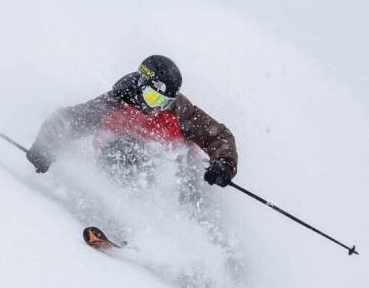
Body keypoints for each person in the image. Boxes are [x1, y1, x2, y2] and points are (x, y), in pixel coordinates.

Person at [26, 55, 237, 188]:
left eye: (165, 102)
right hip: (127, 166)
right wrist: (46, 146)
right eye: (154, 98)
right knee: (126, 151)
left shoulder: (180, 111)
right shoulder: (114, 103)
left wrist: (224, 164)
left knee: (187, 176)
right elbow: (69, 119)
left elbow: (219, 135)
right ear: (142, 85)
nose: (157, 107)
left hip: (179, 175)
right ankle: (121, 217)